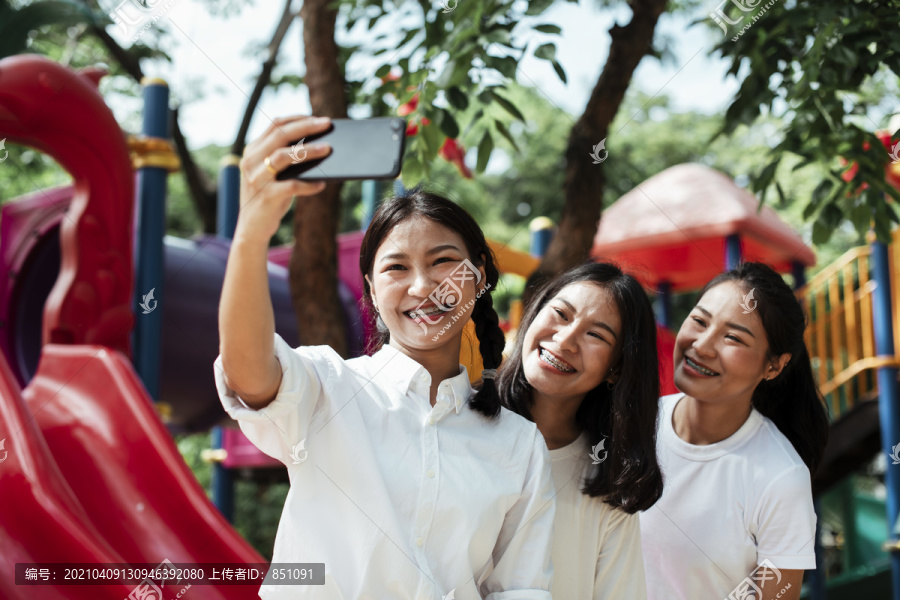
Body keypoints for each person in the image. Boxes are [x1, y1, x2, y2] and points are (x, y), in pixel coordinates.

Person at [215, 115, 556, 600]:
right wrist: (252, 232)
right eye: (397, 267)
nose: (422, 287)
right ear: (373, 292)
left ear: (478, 277)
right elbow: (248, 372)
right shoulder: (327, 387)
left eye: (442, 262)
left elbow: (520, 589)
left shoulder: (518, 444)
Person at [640, 262, 829, 600]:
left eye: (733, 338)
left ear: (774, 365)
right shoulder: (631, 424)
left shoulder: (780, 477)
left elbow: (777, 594)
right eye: (699, 321)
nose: (703, 345)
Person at [498, 261, 664, 599]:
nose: (566, 339)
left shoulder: (608, 485)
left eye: (595, 335)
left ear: (616, 369)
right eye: (561, 313)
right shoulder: (457, 418)